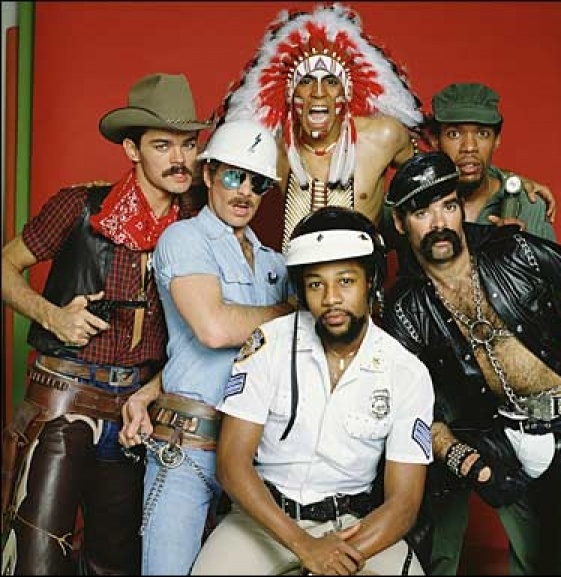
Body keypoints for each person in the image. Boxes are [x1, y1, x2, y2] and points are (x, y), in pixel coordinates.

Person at [1, 72, 208, 575]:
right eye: (162, 145)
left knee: (116, 562)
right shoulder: (79, 207)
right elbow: (4, 265)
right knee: (36, 554)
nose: (180, 159)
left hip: (138, 410)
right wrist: (52, 315)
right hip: (64, 396)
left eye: (188, 144)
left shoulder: (199, 223)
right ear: (132, 150)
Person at [381, 151, 561, 575]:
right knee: (420, 483)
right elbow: (409, 411)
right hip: (498, 433)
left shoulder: (516, 252)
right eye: (422, 213)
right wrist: (465, 460)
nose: (439, 223)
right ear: (401, 224)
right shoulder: (406, 309)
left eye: (448, 206)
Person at [191, 206, 435, 576]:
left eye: (346, 281)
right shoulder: (268, 344)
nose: (331, 298)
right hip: (264, 519)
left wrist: (336, 557)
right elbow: (231, 464)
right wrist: (304, 546)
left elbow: (404, 503)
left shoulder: (407, 373)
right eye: (316, 284)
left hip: (354, 526)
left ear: (370, 281)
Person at [214, 4, 556, 253]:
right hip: (294, 296)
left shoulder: (383, 136)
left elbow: (435, 172)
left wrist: (508, 182)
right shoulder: (272, 146)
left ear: (346, 92)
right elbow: (216, 179)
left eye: (330, 81)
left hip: (364, 299)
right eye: (305, 82)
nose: (318, 93)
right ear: (290, 93)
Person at [117, 118, 295, 575]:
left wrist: (151, 387)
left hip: (257, 453)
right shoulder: (184, 239)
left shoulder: (275, 264)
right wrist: (293, 314)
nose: (245, 192)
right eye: (234, 176)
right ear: (209, 173)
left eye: (258, 183)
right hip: (188, 446)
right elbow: (213, 329)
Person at [427, 82, 556, 238]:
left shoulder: (529, 206)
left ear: (496, 140)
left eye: (483, 134)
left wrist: (518, 248)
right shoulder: (416, 203)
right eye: (454, 134)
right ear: (435, 140)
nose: (469, 147)